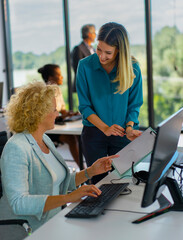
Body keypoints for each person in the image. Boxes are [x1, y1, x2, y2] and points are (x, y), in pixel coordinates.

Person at [0, 81, 118, 232]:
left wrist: (91, 171)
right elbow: (19, 203)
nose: (58, 114)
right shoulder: (16, 148)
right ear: (39, 113)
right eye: (54, 109)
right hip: (29, 228)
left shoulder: (45, 140)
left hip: (56, 219)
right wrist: (69, 198)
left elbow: (61, 182)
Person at [76, 22, 143, 184]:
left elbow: (134, 105)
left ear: (119, 50)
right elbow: (84, 106)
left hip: (122, 134)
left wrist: (129, 128)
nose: (101, 56)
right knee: (98, 183)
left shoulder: (133, 68)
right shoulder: (84, 66)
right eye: (99, 49)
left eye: (108, 52)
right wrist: (105, 128)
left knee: (123, 181)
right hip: (94, 134)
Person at [38, 64, 80, 167]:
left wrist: (71, 113)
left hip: (58, 124)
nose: (62, 77)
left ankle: (84, 167)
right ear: (50, 78)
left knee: (79, 137)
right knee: (72, 139)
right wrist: (63, 116)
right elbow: (49, 115)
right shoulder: (46, 92)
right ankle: (81, 167)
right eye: (59, 75)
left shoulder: (57, 90)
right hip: (50, 129)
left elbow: (62, 111)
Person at [71, 24, 96, 92]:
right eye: (94, 33)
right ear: (89, 34)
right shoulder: (78, 49)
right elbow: (77, 68)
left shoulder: (93, 49)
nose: (95, 35)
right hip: (84, 86)